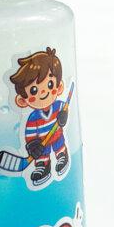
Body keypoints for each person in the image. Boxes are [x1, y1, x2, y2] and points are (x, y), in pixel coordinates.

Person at [9, 47, 71, 187]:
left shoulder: (59, 106)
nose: (43, 91)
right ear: (22, 101)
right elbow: (30, 135)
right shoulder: (33, 118)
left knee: (59, 144)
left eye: (50, 84)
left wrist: (63, 117)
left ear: (59, 87)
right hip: (42, 143)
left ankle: (61, 156)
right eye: (34, 90)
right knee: (41, 155)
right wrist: (32, 145)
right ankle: (43, 165)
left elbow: (64, 112)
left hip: (56, 137)